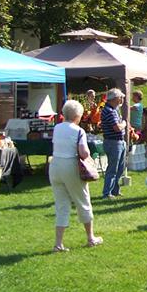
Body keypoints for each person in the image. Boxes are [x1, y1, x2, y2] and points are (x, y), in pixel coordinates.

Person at [49, 99, 103, 252]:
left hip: (55, 166)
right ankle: (90, 237)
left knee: (61, 204)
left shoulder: (57, 128)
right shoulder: (79, 131)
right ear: (77, 116)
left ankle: (58, 243)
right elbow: (84, 153)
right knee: (83, 200)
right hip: (70, 165)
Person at [100, 88, 127, 200]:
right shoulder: (109, 111)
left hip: (118, 142)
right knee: (113, 169)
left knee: (120, 168)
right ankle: (107, 193)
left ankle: (115, 190)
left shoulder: (113, 109)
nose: (122, 99)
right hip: (113, 142)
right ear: (115, 98)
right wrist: (124, 124)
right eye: (120, 97)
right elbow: (117, 127)